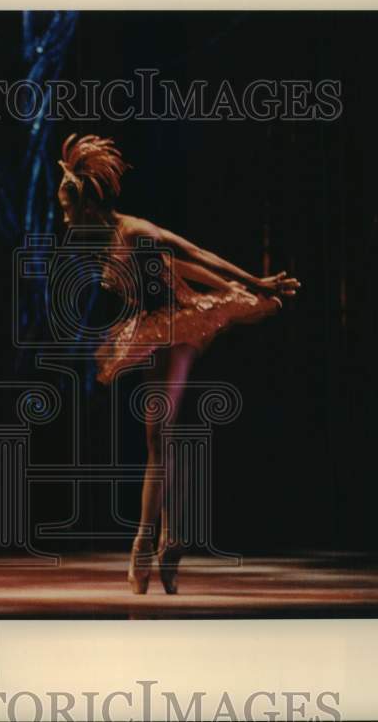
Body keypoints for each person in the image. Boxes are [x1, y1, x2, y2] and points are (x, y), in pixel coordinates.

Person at [56, 134, 301, 594]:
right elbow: (177, 270)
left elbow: (193, 254)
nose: (63, 216)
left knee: (158, 437)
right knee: (160, 441)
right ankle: (168, 541)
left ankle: (146, 545)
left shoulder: (135, 231)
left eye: (67, 207)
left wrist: (253, 282)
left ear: (86, 205)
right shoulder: (101, 241)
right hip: (156, 328)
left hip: (181, 327)